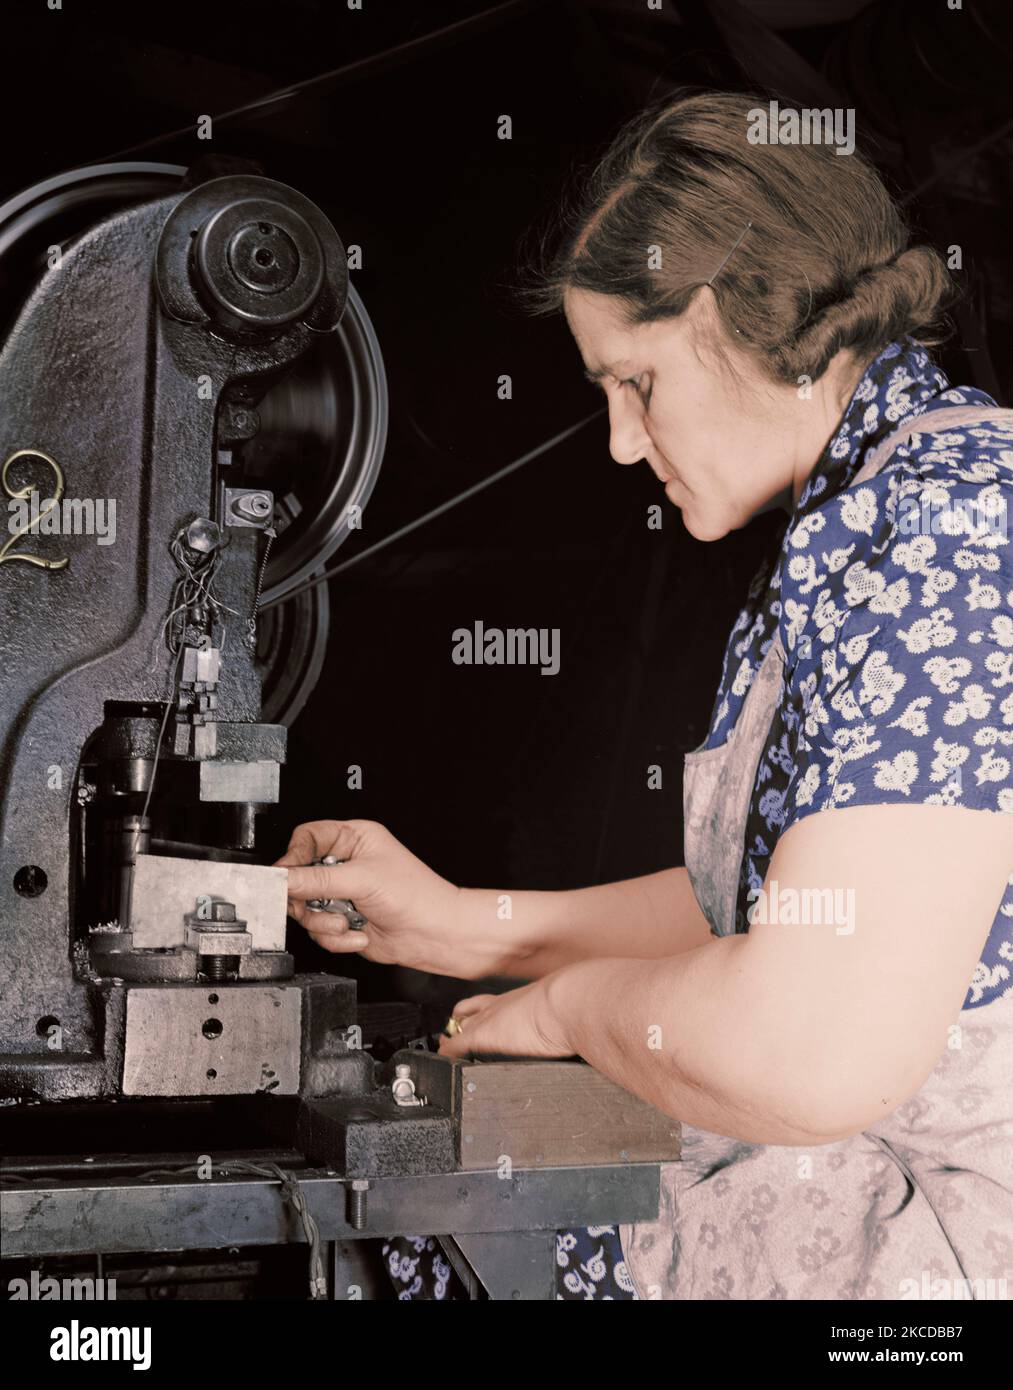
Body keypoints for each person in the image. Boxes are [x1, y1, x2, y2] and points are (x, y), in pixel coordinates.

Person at [279, 91, 1013, 1301]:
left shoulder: (948, 523)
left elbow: (812, 1046)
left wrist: (569, 1007)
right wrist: (469, 924)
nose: (622, 442)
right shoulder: (875, 511)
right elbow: (800, 904)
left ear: (732, 319)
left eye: (635, 382)